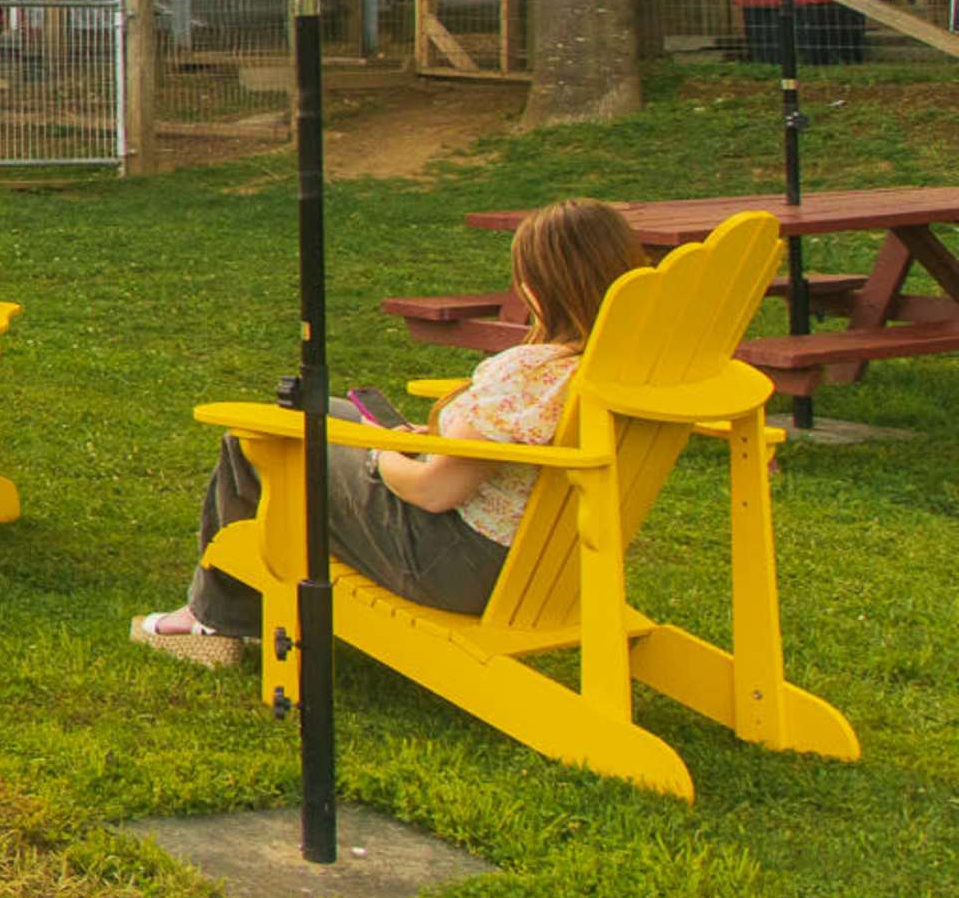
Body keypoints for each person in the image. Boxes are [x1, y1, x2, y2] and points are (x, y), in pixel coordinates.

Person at [138, 197, 649, 665]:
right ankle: (219, 614)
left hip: (454, 565)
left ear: (538, 288)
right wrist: (415, 442)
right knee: (326, 414)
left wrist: (380, 455)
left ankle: (212, 624)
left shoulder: (526, 373)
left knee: (259, 440)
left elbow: (434, 491)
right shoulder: (621, 367)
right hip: (553, 562)